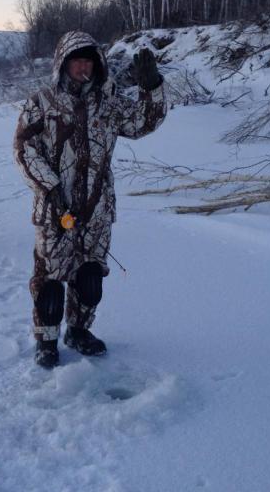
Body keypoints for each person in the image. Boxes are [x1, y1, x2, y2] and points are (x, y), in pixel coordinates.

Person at [13, 31, 167, 368]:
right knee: (50, 280)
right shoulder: (41, 102)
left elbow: (144, 122)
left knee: (89, 278)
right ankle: (47, 339)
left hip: (96, 210)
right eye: (76, 59)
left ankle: (79, 331)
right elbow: (23, 149)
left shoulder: (108, 104)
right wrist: (51, 188)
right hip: (55, 210)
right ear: (63, 64)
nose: (83, 66)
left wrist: (152, 88)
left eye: (89, 60)